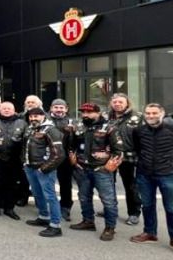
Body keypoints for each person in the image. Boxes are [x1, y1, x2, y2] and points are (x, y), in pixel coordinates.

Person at [69, 102, 123, 241]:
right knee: (84, 197)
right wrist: (73, 158)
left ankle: (110, 228)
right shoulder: (78, 126)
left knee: (108, 200)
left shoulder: (109, 127)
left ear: (98, 113)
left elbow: (118, 150)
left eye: (89, 112)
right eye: (83, 112)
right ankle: (88, 221)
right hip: (82, 169)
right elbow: (71, 145)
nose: (85, 115)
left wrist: (110, 165)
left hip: (101, 170)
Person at [130, 103, 173, 248]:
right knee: (147, 205)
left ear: (162, 113)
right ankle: (150, 233)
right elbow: (137, 149)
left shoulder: (170, 128)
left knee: (171, 207)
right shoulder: (139, 131)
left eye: (154, 113)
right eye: (148, 113)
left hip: (168, 173)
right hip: (144, 174)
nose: (151, 116)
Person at [22, 107, 65, 237]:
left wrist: (44, 168)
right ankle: (43, 216)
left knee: (50, 196)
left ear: (43, 116)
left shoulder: (51, 130)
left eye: (36, 116)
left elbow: (59, 154)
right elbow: (25, 147)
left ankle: (55, 225)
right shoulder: (30, 128)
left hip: (44, 169)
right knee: (37, 193)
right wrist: (25, 162)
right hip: (30, 167)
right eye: (31, 116)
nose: (33, 118)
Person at [107, 93, 143, 225]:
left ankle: (134, 213)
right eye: (115, 102)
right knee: (108, 185)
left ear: (127, 103)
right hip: (110, 157)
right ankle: (110, 209)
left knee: (130, 186)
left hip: (129, 157)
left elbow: (144, 137)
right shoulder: (106, 117)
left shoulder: (138, 117)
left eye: (120, 102)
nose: (117, 104)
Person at [47, 98, 76, 221]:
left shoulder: (73, 122)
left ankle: (65, 207)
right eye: (56, 107)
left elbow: (78, 139)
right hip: (49, 156)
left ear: (66, 109)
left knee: (65, 183)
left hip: (65, 158)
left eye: (61, 107)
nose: (59, 110)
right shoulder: (45, 120)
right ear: (51, 108)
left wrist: (73, 132)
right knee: (47, 183)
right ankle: (46, 207)